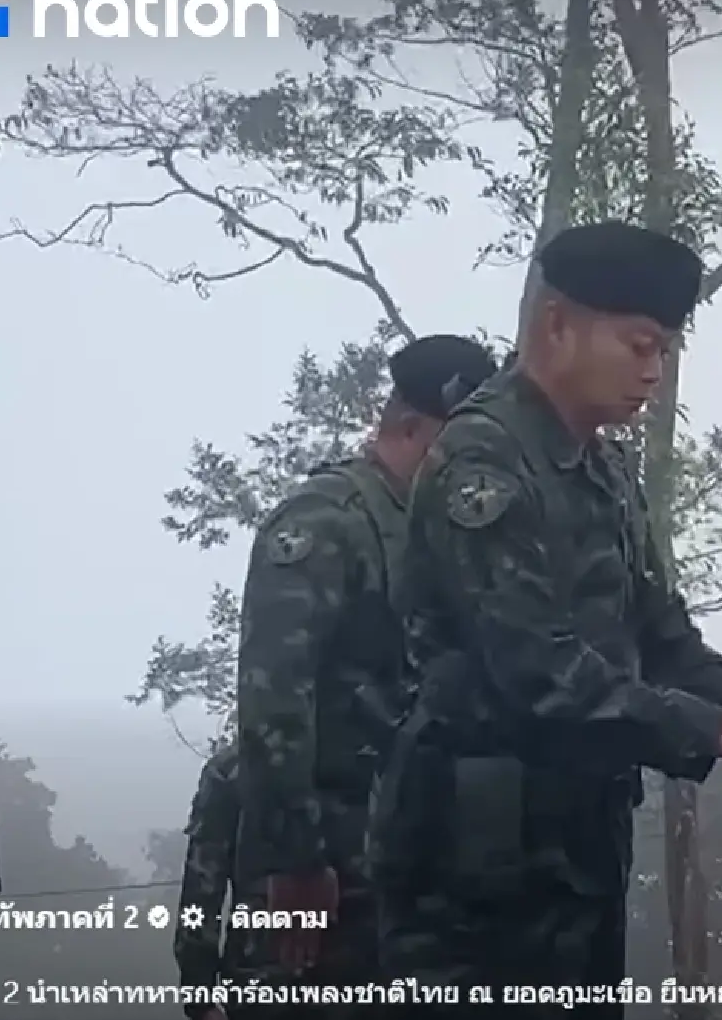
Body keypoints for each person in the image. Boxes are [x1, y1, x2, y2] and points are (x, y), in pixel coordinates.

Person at [369, 221, 722, 1016]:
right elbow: (538, 673)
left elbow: (662, 638)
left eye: (666, 350)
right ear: (557, 326)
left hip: (574, 852)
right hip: (472, 875)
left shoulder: (602, 467)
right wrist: (721, 734)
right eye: (639, 344)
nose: (654, 369)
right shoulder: (485, 460)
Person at [234, 332, 501, 1010]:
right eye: (460, 442)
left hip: (414, 862)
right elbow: (274, 699)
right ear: (411, 428)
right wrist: (296, 859)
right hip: (329, 868)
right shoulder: (327, 521)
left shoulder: (429, 528)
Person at [174, 740, 275, 1020]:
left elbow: (202, 887)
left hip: (264, 980)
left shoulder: (233, 767)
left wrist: (199, 998)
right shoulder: (383, 742)